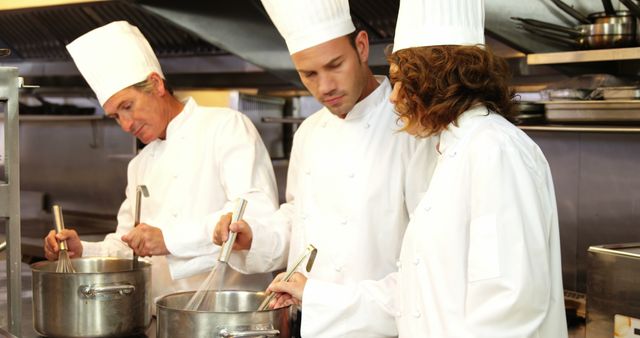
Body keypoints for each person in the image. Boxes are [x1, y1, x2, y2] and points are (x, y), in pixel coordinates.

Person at [266, 0, 569, 337]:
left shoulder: (494, 148)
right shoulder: (455, 151)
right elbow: (415, 296)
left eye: (403, 81)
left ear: (440, 77)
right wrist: (317, 295)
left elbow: (511, 308)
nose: (394, 98)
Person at [213, 0, 436, 336]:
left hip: (382, 327)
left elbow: (430, 261)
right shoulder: (310, 131)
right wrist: (253, 237)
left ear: (361, 47)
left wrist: (323, 298)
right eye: (309, 74)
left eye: (335, 65)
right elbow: (299, 217)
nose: (324, 87)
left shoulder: (412, 129)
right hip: (310, 325)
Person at [43, 21, 278, 305]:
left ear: (156, 84)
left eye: (127, 106)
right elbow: (128, 243)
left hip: (227, 317)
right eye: (116, 116)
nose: (126, 125)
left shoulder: (226, 127)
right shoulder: (140, 164)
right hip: (163, 318)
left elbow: (252, 217)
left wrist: (169, 239)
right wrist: (84, 252)